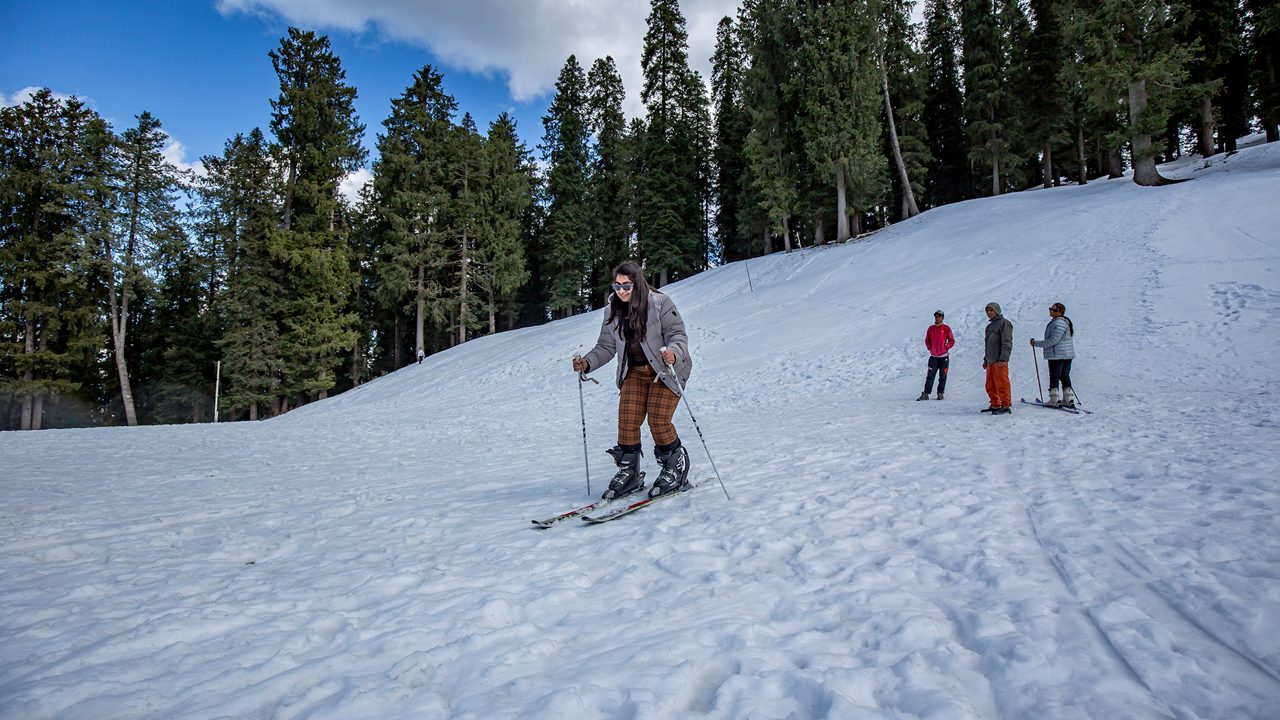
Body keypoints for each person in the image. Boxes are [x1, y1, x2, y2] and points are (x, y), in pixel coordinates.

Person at [572, 261, 693, 499]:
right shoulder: (612, 310)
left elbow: (677, 334)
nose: (621, 291)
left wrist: (674, 352)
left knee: (658, 420)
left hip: (666, 370)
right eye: (617, 286)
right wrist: (587, 362)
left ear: (637, 284)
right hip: (634, 372)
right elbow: (606, 346)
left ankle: (674, 467)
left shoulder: (660, 303)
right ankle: (630, 472)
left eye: (626, 286)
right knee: (627, 420)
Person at [1031, 302, 1076, 407]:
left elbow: (1053, 340)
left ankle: (1054, 400)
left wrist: (1036, 343)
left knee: (1055, 376)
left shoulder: (1058, 323)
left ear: (1060, 312)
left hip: (1057, 355)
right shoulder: (1064, 322)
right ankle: (1068, 399)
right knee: (1064, 375)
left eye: (1054, 310)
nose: (1051, 311)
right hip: (1066, 354)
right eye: (1051, 309)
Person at [982, 302, 1013, 414]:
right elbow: (988, 345)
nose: (989, 313)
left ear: (997, 311)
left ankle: (1005, 405)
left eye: (991, 310)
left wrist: (1003, 359)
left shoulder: (1004, 323)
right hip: (991, 360)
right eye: (987, 311)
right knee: (990, 384)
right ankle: (995, 404)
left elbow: (1007, 342)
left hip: (999, 360)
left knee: (1002, 383)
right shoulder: (989, 326)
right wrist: (986, 359)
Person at [918, 310, 955, 401]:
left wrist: (946, 346)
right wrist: (930, 347)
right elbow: (927, 339)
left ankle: (940, 393)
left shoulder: (946, 328)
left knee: (943, 376)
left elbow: (951, 340)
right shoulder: (931, 328)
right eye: (936, 316)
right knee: (930, 376)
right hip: (933, 357)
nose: (937, 318)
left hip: (944, 357)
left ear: (942, 318)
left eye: (939, 316)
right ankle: (926, 393)